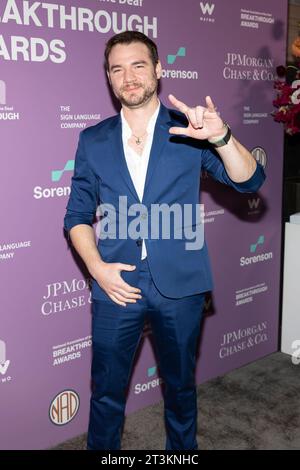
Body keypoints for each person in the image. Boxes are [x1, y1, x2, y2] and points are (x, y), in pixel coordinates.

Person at [64, 31, 265, 450]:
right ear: (108, 78)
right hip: (115, 284)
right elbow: (77, 216)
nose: (128, 76)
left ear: (159, 69)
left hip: (181, 286)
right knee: (105, 395)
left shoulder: (188, 130)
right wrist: (97, 269)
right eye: (117, 68)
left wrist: (221, 135)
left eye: (138, 65)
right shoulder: (93, 139)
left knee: (180, 392)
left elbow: (250, 181)